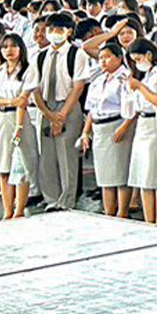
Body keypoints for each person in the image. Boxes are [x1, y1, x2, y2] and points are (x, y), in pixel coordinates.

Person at [31, 12, 92, 212]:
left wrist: (62, 115)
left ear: (68, 32)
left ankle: (66, 200)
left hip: (69, 105)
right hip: (46, 107)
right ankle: (51, 198)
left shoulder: (77, 53)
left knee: (67, 156)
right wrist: (48, 114)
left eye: (59, 29)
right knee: (47, 156)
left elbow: (78, 86)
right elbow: (35, 88)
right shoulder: (40, 55)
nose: (54, 33)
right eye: (51, 29)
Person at [124, 38, 157, 226]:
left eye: (139, 59)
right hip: (142, 124)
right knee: (143, 177)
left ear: (149, 54)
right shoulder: (141, 75)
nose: (137, 63)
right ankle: (149, 222)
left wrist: (139, 87)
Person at [79, 42, 136, 218]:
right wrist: (85, 132)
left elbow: (132, 106)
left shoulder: (125, 77)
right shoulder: (98, 80)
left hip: (117, 123)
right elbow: (91, 108)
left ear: (119, 58)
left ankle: (122, 211)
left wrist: (124, 127)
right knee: (104, 175)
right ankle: (109, 211)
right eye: (101, 58)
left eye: (107, 57)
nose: (103, 61)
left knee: (120, 172)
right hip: (99, 127)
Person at [0, 34, 36, 220]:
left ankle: (19, 209)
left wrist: (19, 126)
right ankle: (7, 210)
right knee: (4, 167)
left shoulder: (28, 70)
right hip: (1, 120)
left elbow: (23, 100)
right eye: (5, 46)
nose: (9, 50)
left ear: (20, 49)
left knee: (21, 165)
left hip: (20, 121)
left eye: (13, 46)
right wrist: (9, 101)